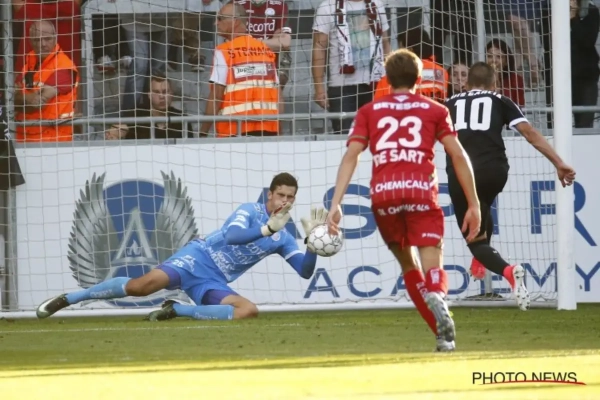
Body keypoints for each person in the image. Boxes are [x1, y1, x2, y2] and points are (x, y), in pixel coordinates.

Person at [326, 49, 482, 352]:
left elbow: (352, 156)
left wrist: (336, 202)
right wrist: (473, 203)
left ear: (386, 78)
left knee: (408, 264)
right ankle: (437, 294)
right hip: (420, 191)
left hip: (385, 196)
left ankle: (443, 337)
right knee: (432, 256)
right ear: (418, 78)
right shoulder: (436, 110)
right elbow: (458, 155)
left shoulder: (369, 110)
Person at [37, 173, 328, 321]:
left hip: (213, 280)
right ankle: (70, 298)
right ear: (270, 194)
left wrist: (313, 244)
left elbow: (304, 271)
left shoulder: (283, 237)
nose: (285, 201)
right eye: (280, 195)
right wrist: (266, 229)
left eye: (290, 197)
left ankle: (177, 310)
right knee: (140, 287)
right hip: (197, 258)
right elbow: (232, 237)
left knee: (247, 311)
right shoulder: (250, 211)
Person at [444, 62, 576, 310]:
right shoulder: (501, 99)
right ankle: (481, 258)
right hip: (496, 171)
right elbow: (529, 133)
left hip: (462, 173)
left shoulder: (448, 103)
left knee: (476, 242)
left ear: (465, 83)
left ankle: (508, 270)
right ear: (494, 84)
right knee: (482, 204)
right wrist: (559, 163)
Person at [201, 2, 279, 137]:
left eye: (220, 18)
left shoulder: (224, 51)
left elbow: (216, 97)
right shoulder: (266, 50)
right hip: (268, 130)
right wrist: (278, 131)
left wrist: (203, 132)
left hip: (234, 131)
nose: (215, 23)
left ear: (235, 21)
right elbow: (278, 95)